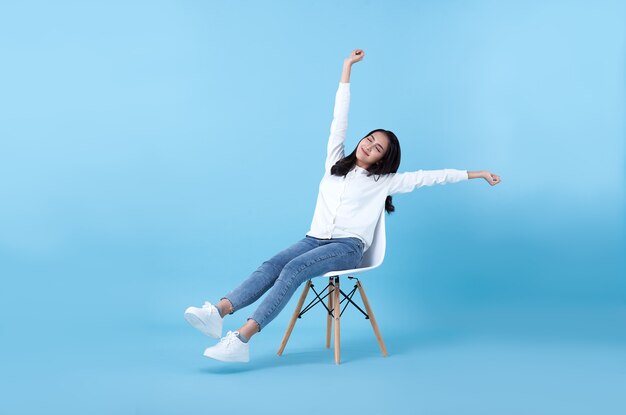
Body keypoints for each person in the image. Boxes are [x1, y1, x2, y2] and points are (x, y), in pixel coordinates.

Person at [184, 49, 502, 363]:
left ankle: (242, 338)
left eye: (378, 148)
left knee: (293, 270)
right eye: (369, 139)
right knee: (271, 265)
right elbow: (340, 117)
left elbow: (432, 177)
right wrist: (347, 68)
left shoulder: (386, 181)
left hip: (348, 246)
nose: (369, 145)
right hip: (314, 238)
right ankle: (219, 312)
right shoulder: (335, 161)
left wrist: (478, 174)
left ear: (383, 159)